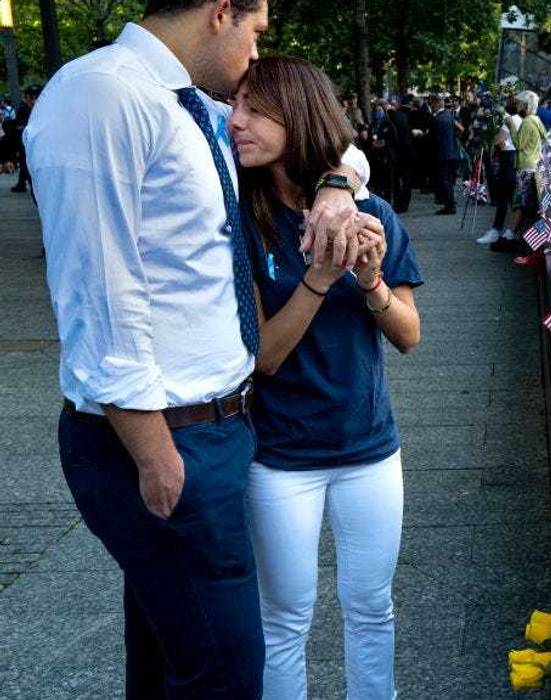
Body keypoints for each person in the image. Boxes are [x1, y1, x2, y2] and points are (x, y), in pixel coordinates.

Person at [24, 1, 373, 695]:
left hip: (217, 429)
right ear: (222, 13)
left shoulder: (193, 109)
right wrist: (154, 454)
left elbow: (332, 143)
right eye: (256, 31)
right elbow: (99, 286)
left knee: (169, 655)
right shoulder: (104, 93)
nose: (254, 51)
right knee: (223, 670)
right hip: (162, 436)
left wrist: (336, 187)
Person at [228, 56, 422, 700]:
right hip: (281, 456)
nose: (237, 121)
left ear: (298, 115)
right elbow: (265, 358)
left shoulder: (375, 215)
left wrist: (368, 280)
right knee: (285, 619)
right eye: (237, 105)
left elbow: (408, 335)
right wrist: (319, 277)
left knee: (373, 607)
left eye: (255, 109)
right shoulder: (242, 221)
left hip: (369, 448)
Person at [478, 96, 520, 247]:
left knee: (503, 196)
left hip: (508, 158)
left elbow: (497, 140)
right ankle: (503, 230)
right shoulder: (521, 120)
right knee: (509, 197)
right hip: (514, 157)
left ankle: (497, 229)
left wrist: (497, 141)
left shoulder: (510, 120)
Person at [509, 90, 547, 243]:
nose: (517, 105)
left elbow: (519, 145)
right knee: (528, 202)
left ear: (526, 105)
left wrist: (511, 126)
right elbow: (545, 137)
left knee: (521, 202)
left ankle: (512, 234)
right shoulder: (536, 119)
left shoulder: (526, 122)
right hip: (534, 164)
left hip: (525, 165)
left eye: (519, 103)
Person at [431, 95, 462, 215]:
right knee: (448, 180)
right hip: (450, 152)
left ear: (436, 104)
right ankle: (450, 203)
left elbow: (434, 139)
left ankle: (449, 204)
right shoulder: (449, 116)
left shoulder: (438, 119)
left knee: (445, 180)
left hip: (442, 154)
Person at [10, 86, 36, 193]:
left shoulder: (23, 108)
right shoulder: (28, 108)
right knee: (25, 161)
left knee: (24, 161)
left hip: (24, 138)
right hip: (27, 138)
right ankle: (23, 183)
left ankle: (23, 183)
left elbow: (20, 124)